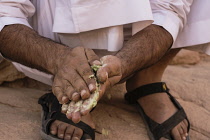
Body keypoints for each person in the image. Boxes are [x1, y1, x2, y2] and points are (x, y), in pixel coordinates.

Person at [2, 0, 208, 140]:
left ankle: (146, 77)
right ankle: (68, 82)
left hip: (141, 35)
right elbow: (4, 13)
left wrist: (126, 63)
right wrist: (58, 59)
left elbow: (170, 9)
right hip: (53, 33)